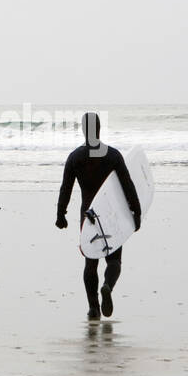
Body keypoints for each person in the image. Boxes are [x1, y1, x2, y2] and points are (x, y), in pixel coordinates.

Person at [56, 112, 141, 321]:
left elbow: (65, 188)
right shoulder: (113, 156)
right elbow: (127, 185)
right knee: (114, 261)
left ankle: (93, 308)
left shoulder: (76, 157)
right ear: (100, 129)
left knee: (90, 263)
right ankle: (107, 286)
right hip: (111, 213)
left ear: (84, 130)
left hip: (88, 215)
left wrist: (61, 214)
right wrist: (136, 211)